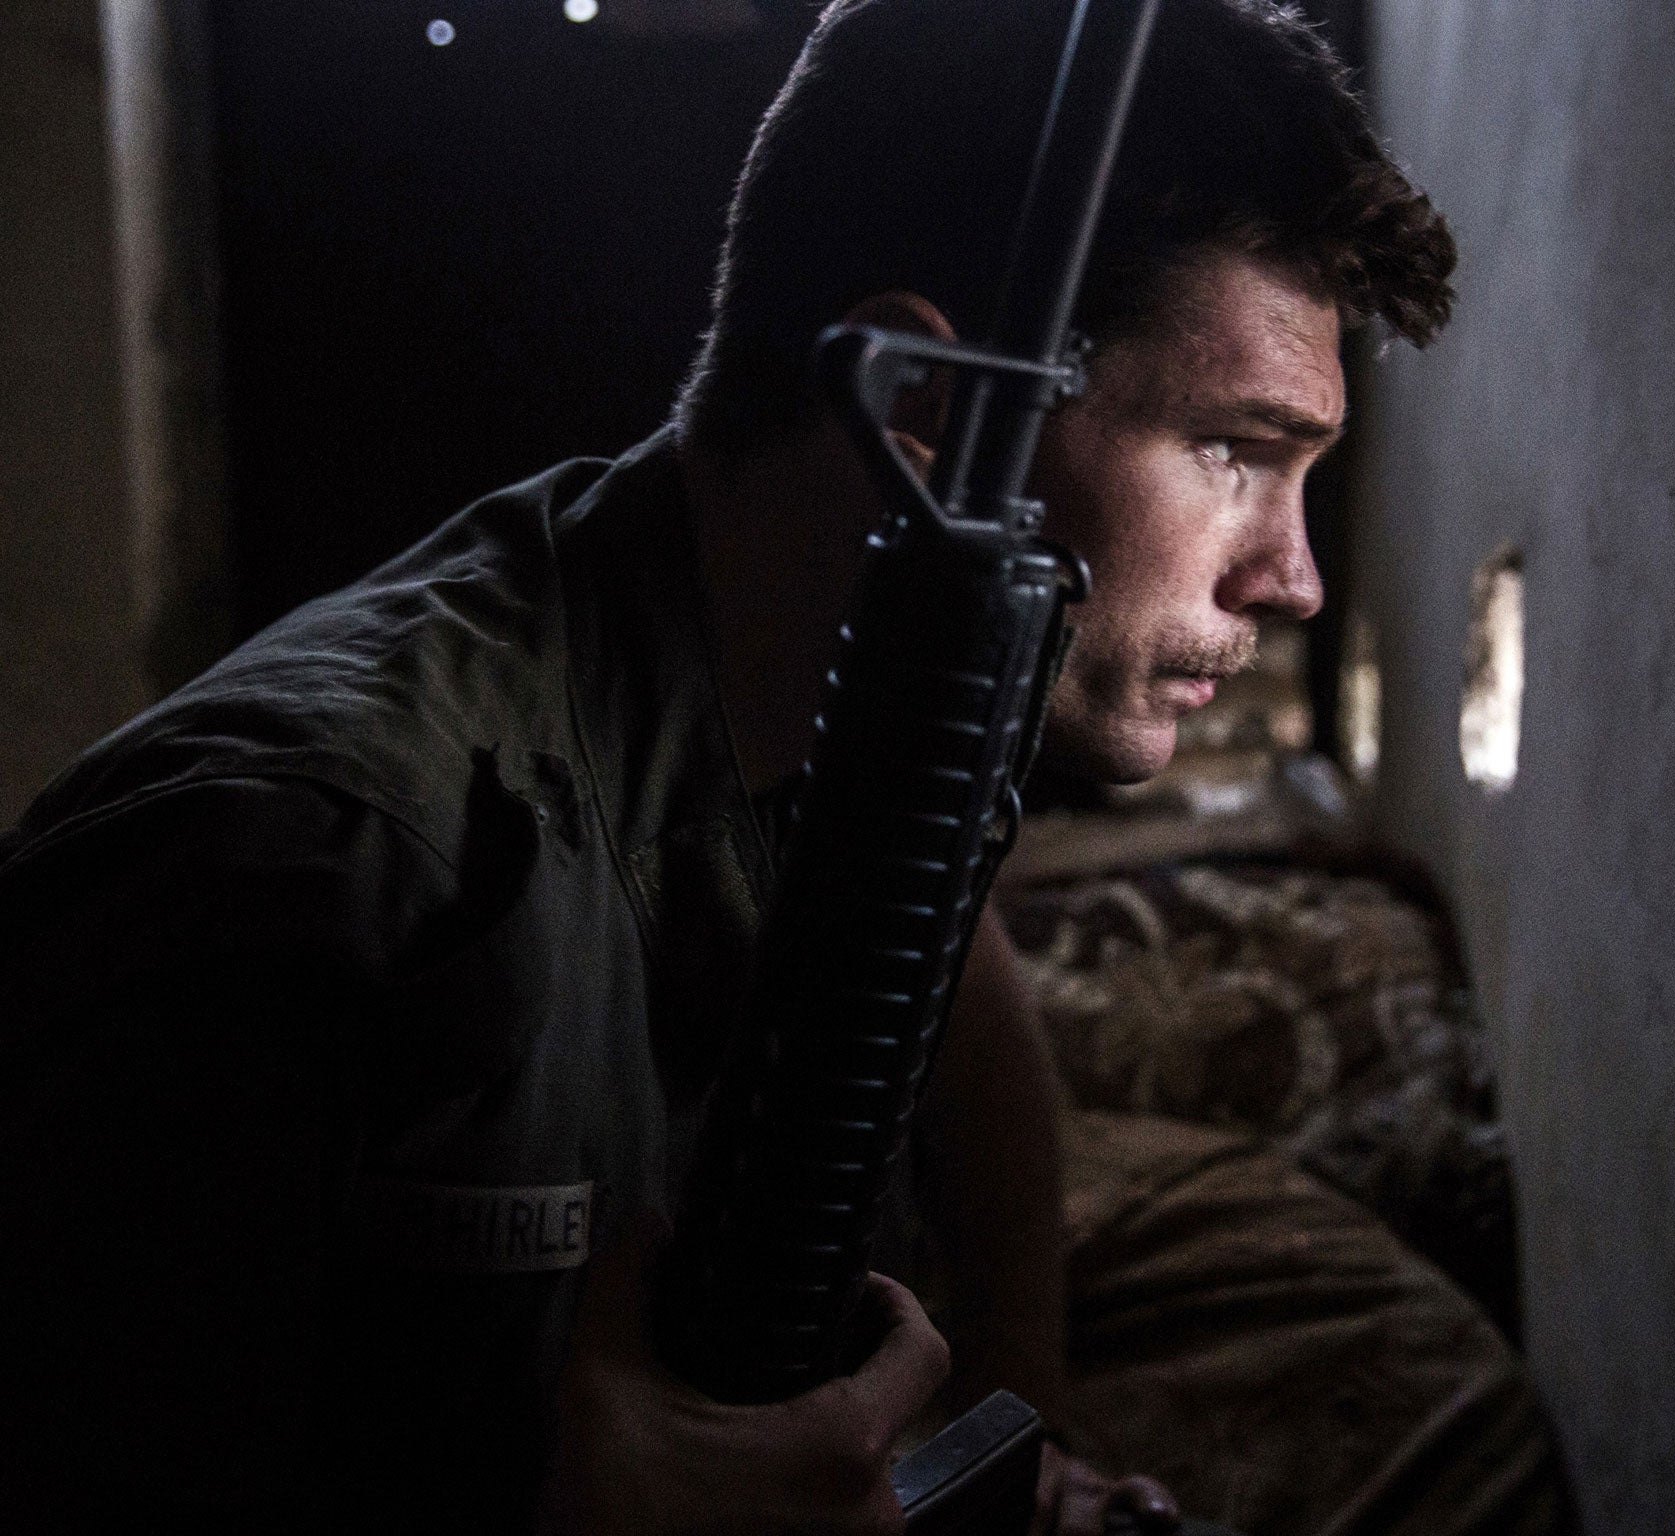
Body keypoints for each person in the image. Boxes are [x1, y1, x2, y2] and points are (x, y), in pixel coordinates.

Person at [0, 1, 1558, 1531]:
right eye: (1233, 450)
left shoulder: (870, 707)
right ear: (930, 408)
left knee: (1427, 1389)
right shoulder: (308, 869)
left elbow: (962, 980)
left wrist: (1021, 1428)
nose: (1292, 580)